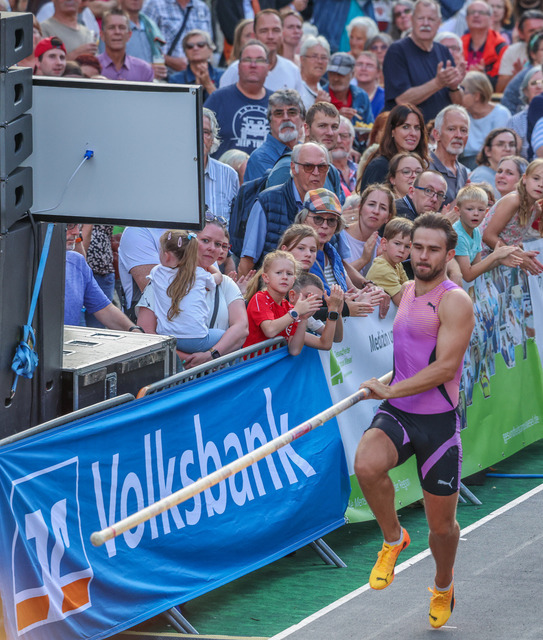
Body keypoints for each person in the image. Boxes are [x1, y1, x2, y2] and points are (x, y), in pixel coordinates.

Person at [354, 212, 475, 630]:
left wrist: (390, 390)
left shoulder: (455, 301)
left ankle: (443, 584)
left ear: (449, 254)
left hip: (437, 424)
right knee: (366, 465)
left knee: (441, 529)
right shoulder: (406, 290)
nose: (422, 256)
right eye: (416, 247)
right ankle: (393, 538)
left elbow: (445, 368)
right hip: (400, 413)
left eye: (432, 249)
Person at [137, 217, 249, 366]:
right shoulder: (160, 280)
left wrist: (211, 355)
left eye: (218, 244)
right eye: (205, 241)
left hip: (219, 371)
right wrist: (187, 359)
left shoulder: (226, 283)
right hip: (176, 370)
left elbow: (242, 328)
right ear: (188, 242)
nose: (212, 248)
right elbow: (146, 332)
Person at [238, 141, 330, 274]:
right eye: (308, 166)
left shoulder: (330, 204)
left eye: (322, 167)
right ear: (293, 168)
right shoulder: (268, 201)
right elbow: (247, 261)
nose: (316, 172)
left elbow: (340, 258)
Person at [295, 188, 387, 317]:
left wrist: (371, 291)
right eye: (318, 219)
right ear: (304, 219)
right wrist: (347, 308)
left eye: (331, 221)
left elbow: (352, 290)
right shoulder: (298, 254)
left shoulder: (331, 251)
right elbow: (310, 306)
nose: (325, 226)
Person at [383, 0, 465, 122]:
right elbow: (402, 100)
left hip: (440, 130)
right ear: (412, 20)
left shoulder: (443, 51)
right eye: (421, 18)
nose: (426, 23)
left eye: (431, 19)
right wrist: (438, 83)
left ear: (439, 23)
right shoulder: (397, 51)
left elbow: (459, 105)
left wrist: (454, 87)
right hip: (409, 130)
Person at [144, 230, 224, 353]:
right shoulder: (199, 274)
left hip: (166, 338)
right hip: (196, 340)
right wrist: (206, 264)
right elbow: (218, 277)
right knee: (227, 336)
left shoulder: (156, 272)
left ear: (166, 255)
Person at [265, 102, 346, 205]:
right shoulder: (286, 167)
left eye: (334, 127)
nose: (330, 132)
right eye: (322, 126)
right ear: (306, 129)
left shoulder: (332, 171)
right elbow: (274, 210)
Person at [243, 250, 322, 355]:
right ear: (266, 277)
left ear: (293, 280)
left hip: (276, 363)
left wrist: (303, 319)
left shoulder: (289, 308)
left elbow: (294, 350)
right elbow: (270, 330)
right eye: (279, 273)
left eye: (289, 274)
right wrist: (296, 312)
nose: (284, 277)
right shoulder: (260, 298)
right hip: (256, 363)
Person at [203, 40, 273, 159]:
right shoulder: (218, 99)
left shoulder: (277, 104)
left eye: (260, 60)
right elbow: (198, 137)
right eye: (247, 59)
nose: (253, 65)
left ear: (268, 67)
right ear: (238, 66)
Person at [65, 223, 141, 331]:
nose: (77, 232)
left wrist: (133, 330)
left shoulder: (77, 261)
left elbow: (104, 308)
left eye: (79, 226)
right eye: (69, 225)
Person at [480, 158, 543, 274]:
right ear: (525, 179)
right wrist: (519, 256)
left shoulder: (536, 210)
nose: (541, 184)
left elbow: (511, 239)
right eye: (536, 178)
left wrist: (523, 255)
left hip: (500, 261)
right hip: (480, 258)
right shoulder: (513, 200)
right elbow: (488, 236)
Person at [219, 10, 303, 93]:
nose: (270, 36)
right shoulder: (236, 70)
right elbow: (221, 99)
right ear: (255, 35)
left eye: (276, 30)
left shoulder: (292, 70)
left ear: (282, 34)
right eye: (264, 31)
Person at [452, 184, 521, 282]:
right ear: (458, 211)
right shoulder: (458, 236)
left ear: (486, 212)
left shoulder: (476, 231)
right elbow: (468, 276)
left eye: (481, 210)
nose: (476, 213)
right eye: (470, 209)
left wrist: (498, 261)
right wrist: (494, 256)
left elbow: (477, 267)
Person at [359, 103, 429, 191]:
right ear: (392, 131)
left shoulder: (422, 164)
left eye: (417, 128)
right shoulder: (380, 166)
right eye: (405, 127)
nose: (413, 133)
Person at [244, 89, 305, 182]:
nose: (286, 118)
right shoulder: (260, 158)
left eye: (292, 112)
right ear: (270, 122)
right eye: (279, 113)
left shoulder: (308, 152)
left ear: (303, 120)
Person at [142, 0, 212, 74]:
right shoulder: (154, 4)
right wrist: (170, 61)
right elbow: (143, 45)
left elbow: (210, 45)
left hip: (198, 75)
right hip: (166, 74)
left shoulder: (202, 7)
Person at [342, 184, 397, 277]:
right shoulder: (339, 237)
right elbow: (336, 277)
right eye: (371, 204)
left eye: (383, 208)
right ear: (360, 208)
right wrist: (364, 260)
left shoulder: (383, 247)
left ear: (388, 217)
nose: (376, 211)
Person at [460, 72, 511, 170]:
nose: (458, 95)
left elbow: (502, 148)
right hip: (464, 163)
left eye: (462, 91)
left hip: (491, 163)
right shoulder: (462, 114)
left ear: (477, 96)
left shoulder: (501, 114)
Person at [201, 109, 240, 223]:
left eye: (205, 132)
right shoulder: (170, 173)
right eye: (194, 130)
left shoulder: (229, 175)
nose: (199, 136)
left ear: (212, 139)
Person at [287, 273, 345, 349]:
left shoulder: (306, 316)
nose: (312, 302)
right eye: (308, 296)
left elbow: (336, 338)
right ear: (292, 296)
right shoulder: (284, 315)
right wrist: (333, 310)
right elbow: (325, 344)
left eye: (317, 300)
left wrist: (337, 312)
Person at [322, 52, 374, 135]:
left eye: (341, 74)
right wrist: (337, 117)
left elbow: (370, 127)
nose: (335, 78)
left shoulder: (361, 96)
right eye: (332, 74)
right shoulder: (320, 96)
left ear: (352, 74)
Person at [366, 217, 413, 305]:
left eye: (407, 246)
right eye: (397, 244)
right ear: (384, 243)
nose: (402, 250)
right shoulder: (382, 268)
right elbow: (403, 302)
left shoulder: (397, 264)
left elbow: (408, 287)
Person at [97, 8, 154, 82]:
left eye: (122, 28)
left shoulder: (144, 70)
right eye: (111, 28)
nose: (117, 32)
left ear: (129, 35)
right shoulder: (92, 66)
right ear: (102, 35)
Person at [461, 0, 508, 88]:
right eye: (472, 12)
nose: (476, 15)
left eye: (481, 12)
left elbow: (501, 84)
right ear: (466, 18)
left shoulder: (500, 47)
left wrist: (483, 77)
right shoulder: (458, 44)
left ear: (491, 19)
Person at [429, 105, 470, 206]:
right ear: (436, 134)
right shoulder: (425, 167)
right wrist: (464, 197)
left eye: (463, 130)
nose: (458, 135)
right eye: (451, 129)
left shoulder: (463, 171)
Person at [496, 9, 543, 93]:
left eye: (541, 30)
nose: (537, 34)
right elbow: (499, 90)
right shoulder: (512, 51)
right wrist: (517, 77)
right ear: (521, 33)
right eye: (532, 31)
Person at [168, 29, 223, 99]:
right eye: (190, 46)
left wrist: (208, 84)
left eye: (201, 44)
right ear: (185, 52)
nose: (195, 48)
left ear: (210, 49)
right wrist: (195, 91)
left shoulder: (222, 75)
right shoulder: (175, 80)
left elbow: (225, 104)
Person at [119, 0, 167, 80]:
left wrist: (158, 71)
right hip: (126, 84)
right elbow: (109, 64)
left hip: (151, 83)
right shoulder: (114, 27)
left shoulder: (150, 25)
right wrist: (146, 69)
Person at [469, 128, 519, 198]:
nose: (508, 149)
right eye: (500, 144)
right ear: (488, 151)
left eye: (512, 144)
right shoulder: (481, 176)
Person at [506, 65, 543, 159]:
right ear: (525, 91)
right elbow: (511, 157)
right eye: (534, 83)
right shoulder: (515, 121)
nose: (539, 86)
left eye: (542, 82)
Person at [299, 35, 331, 110]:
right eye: (314, 56)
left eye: (323, 57)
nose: (319, 61)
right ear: (302, 59)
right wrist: (317, 107)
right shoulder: (295, 86)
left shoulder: (321, 89)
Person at [353, 51, 384, 120]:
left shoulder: (385, 98)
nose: (363, 68)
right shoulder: (345, 94)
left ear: (378, 72)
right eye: (359, 64)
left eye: (369, 65)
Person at [332, 116, 358, 193]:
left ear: (352, 140)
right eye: (334, 136)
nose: (338, 141)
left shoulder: (361, 170)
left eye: (344, 136)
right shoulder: (321, 172)